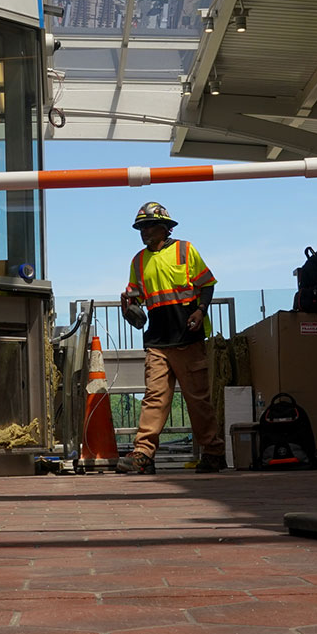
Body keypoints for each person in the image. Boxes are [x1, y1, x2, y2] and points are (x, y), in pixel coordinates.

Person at [116, 201, 226, 474]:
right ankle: (143, 455)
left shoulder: (185, 250)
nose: (144, 231)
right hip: (158, 341)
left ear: (165, 227)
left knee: (198, 400)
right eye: (141, 227)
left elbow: (206, 285)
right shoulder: (138, 261)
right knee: (154, 397)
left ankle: (213, 453)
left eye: (149, 226)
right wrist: (128, 304)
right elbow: (135, 297)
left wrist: (201, 311)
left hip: (187, 337)